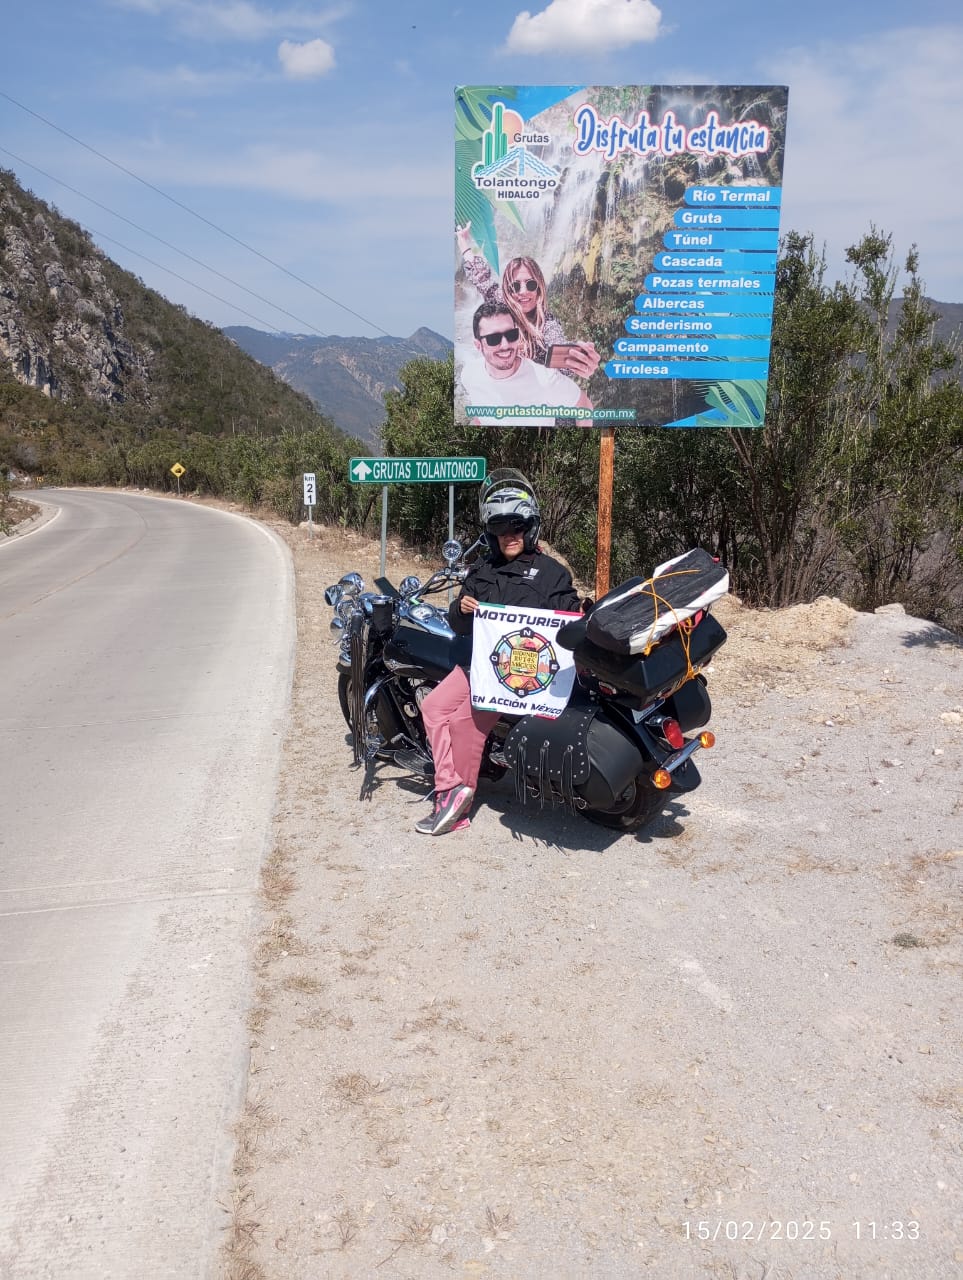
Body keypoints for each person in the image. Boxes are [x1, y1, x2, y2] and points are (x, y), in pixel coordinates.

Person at [416, 470, 580, 836]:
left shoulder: (552, 574)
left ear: (530, 527)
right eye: (502, 528)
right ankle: (448, 783)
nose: (510, 535)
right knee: (433, 708)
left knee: (462, 723)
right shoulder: (482, 569)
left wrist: (578, 616)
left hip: (517, 677)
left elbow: (568, 618)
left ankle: (457, 801)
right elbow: (458, 624)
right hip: (478, 665)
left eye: (517, 526)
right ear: (491, 532)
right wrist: (462, 608)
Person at [457, 222, 600, 378]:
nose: (523, 292)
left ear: (539, 288)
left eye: (530, 284)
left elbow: (557, 348)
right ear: (507, 289)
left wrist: (577, 359)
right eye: (515, 286)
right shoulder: (501, 304)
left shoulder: (546, 323)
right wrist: (463, 242)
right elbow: (481, 276)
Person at [458, 302, 594, 428]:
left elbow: (583, 405)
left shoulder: (544, 379)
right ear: (478, 345)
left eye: (511, 334)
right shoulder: (470, 375)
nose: (505, 345)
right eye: (494, 339)